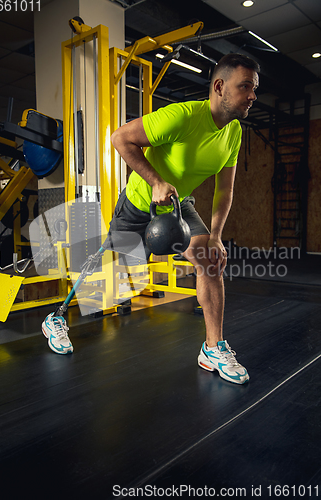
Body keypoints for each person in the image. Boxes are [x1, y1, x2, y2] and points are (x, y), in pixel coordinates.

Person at [43, 53, 260, 386]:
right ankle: (56, 319)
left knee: (209, 261)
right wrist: (156, 181)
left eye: (254, 88)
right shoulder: (183, 116)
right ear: (220, 87)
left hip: (177, 206)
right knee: (107, 263)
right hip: (139, 202)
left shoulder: (233, 133)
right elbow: (120, 138)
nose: (252, 96)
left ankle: (213, 349)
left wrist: (215, 236)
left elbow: (224, 192)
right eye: (245, 86)